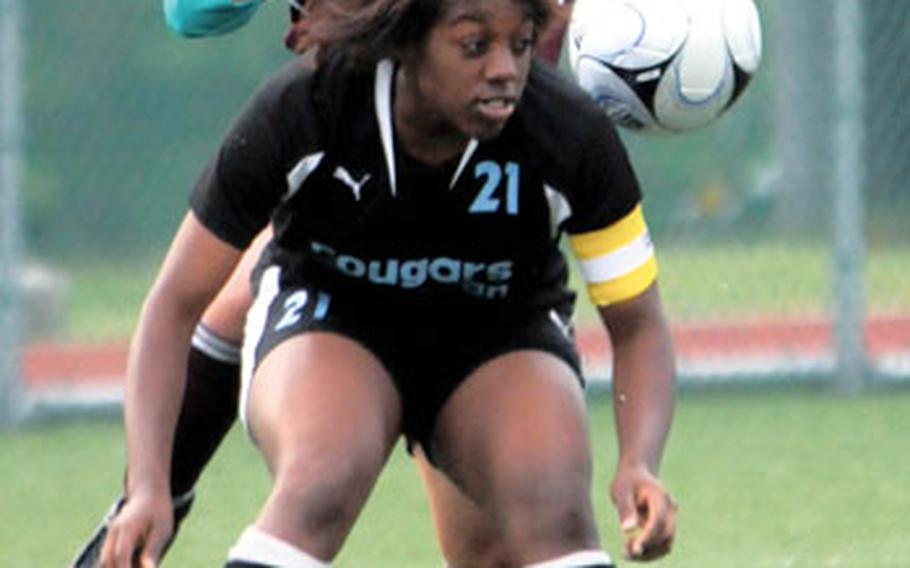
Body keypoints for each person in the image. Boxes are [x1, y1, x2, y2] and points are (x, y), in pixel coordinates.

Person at [97, 0, 677, 566]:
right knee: (322, 480)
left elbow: (638, 325)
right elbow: (172, 306)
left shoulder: (568, 131)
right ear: (407, 37)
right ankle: (149, 510)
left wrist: (638, 463)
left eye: (520, 45)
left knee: (551, 520)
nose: (504, 68)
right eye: (475, 44)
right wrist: (145, 484)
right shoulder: (308, 106)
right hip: (336, 315)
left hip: (498, 328)